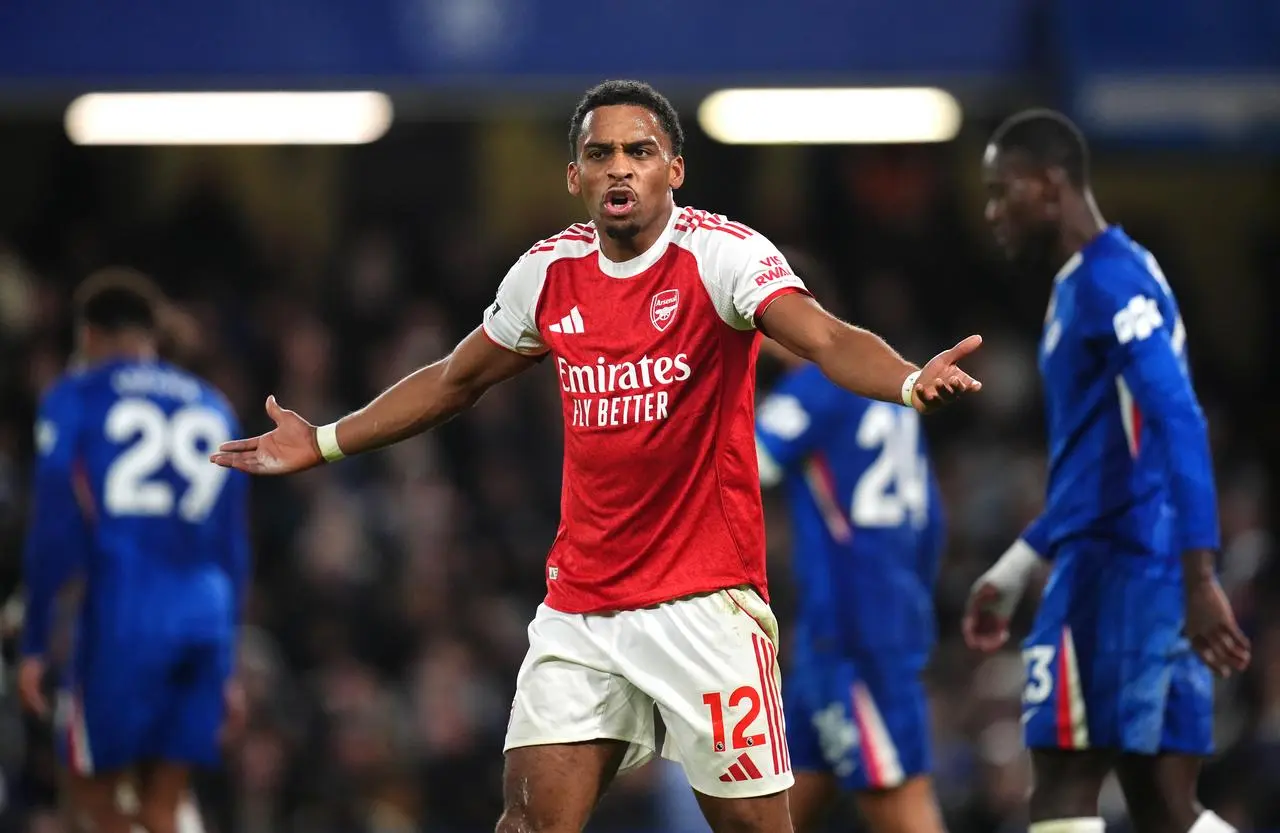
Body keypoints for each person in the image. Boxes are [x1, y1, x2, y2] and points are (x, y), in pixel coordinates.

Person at [211, 79, 982, 833]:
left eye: (640, 151)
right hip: (583, 608)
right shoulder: (548, 273)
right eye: (601, 152)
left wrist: (909, 379)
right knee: (529, 818)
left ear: (673, 170)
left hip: (706, 603)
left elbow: (823, 337)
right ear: (575, 175)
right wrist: (324, 441)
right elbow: (456, 378)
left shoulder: (722, 257)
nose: (620, 166)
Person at [964, 109, 1250, 833]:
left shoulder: (1107, 284)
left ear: (1050, 184)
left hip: (1115, 577)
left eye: (1004, 192)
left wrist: (1201, 574)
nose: (993, 212)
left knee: (1061, 786)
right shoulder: (1113, 275)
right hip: (1140, 567)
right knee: (1165, 805)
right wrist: (1019, 559)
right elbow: (1101, 462)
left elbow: (1179, 416)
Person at [19, 270, 249, 833]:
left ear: (89, 335)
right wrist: (230, 660)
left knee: (95, 805)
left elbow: (56, 526)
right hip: (205, 618)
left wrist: (35, 642)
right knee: (162, 809)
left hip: (122, 612)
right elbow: (232, 547)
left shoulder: (75, 396)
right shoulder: (215, 406)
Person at [754, 337, 948, 833]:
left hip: (853, 626)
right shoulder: (888, 390)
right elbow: (930, 518)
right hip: (868, 616)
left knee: (898, 800)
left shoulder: (817, 384)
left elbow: (746, 463)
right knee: (776, 807)